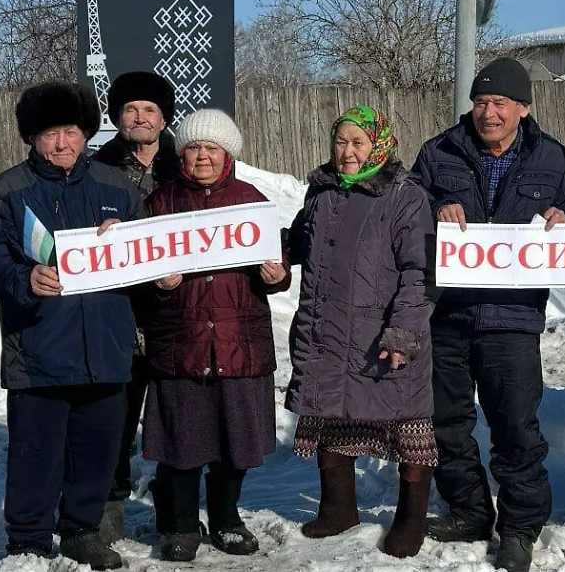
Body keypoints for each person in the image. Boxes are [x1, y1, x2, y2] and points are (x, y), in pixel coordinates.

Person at [412, 57, 565, 572]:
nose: (488, 112)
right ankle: (469, 512)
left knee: (515, 429)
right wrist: (436, 207)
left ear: (523, 108)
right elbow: (407, 208)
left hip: (513, 318)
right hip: (448, 315)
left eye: (500, 103)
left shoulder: (553, 158)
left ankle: (519, 527)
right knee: (446, 424)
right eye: (481, 102)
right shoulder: (439, 150)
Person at [0, 82, 143, 571]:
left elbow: (147, 256)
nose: (61, 143)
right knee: (36, 453)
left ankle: (81, 531)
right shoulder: (7, 191)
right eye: (50, 133)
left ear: (86, 133)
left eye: (71, 131)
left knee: (96, 450)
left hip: (105, 345)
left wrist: (134, 246)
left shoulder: (118, 188)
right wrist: (25, 279)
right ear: (32, 137)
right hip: (39, 347)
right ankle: (27, 539)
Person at [287, 106, 436, 558]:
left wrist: (402, 334)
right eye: (341, 142)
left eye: (358, 143)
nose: (348, 153)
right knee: (330, 415)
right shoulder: (321, 192)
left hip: (382, 334)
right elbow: (301, 243)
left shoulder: (406, 196)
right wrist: (271, 253)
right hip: (327, 329)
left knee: (409, 428)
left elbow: (420, 273)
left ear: (380, 145)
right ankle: (338, 510)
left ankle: (411, 520)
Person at [142, 109, 289, 562]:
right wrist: (157, 284)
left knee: (234, 442)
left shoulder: (252, 202)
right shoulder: (159, 203)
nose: (202, 156)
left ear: (228, 154)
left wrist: (277, 274)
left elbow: (276, 264)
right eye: (193, 147)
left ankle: (226, 518)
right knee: (182, 442)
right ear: (181, 154)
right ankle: (182, 524)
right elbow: (136, 274)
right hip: (181, 341)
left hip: (238, 341)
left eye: (212, 148)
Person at [90, 71, 179, 544]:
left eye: (149, 109)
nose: (140, 117)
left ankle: (174, 503)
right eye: (130, 109)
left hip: (174, 309)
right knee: (115, 414)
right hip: (116, 310)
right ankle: (109, 501)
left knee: (175, 413)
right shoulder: (95, 170)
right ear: (117, 117)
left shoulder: (184, 166)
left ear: (164, 118)